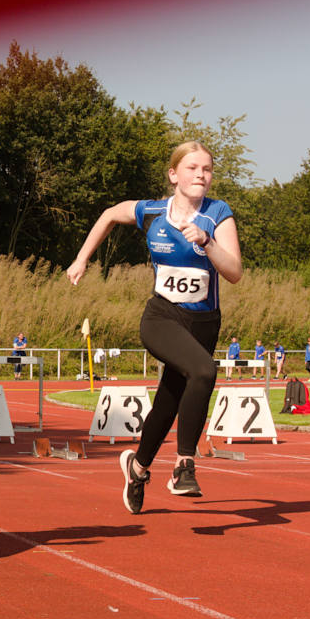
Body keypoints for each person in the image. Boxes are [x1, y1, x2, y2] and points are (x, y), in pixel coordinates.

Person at [66, 141, 242, 513]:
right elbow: (110, 215)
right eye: (193, 168)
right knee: (205, 370)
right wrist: (82, 258)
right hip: (162, 317)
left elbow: (235, 273)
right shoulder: (152, 211)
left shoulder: (218, 214)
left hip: (204, 322)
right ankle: (184, 466)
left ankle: (138, 467)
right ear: (174, 175)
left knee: (170, 398)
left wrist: (207, 243)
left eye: (207, 169)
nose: (201, 175)